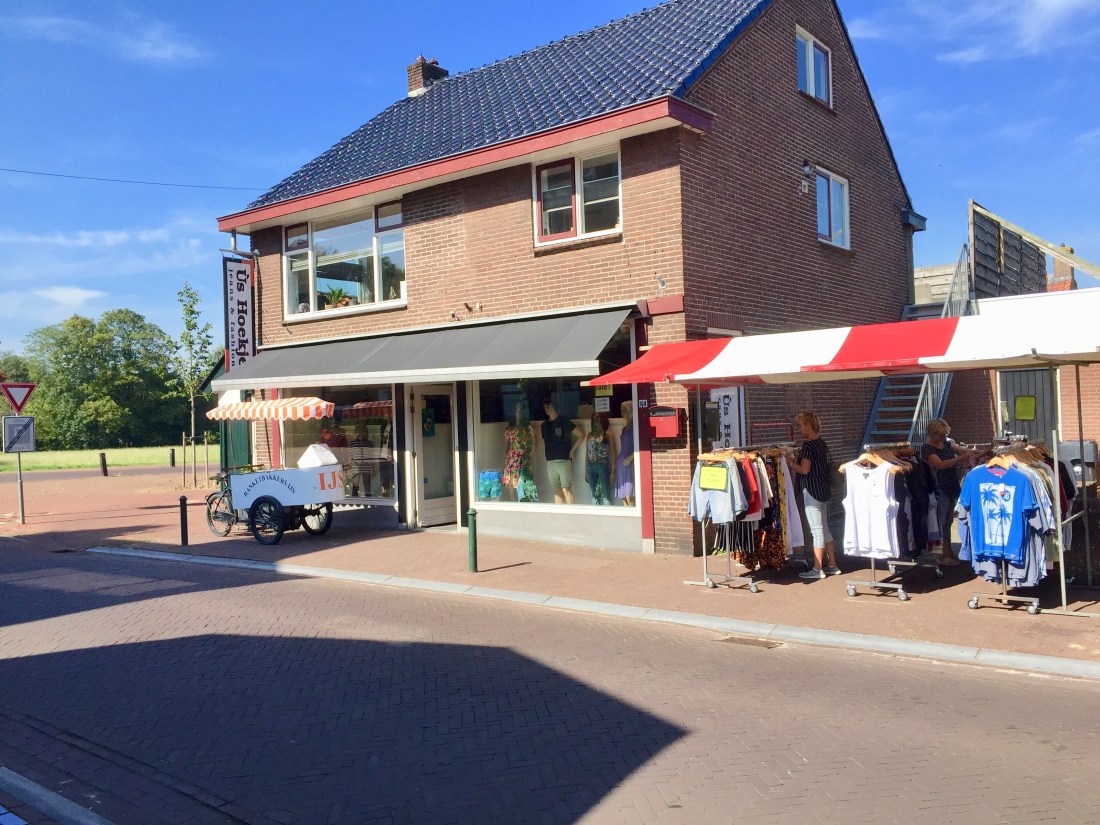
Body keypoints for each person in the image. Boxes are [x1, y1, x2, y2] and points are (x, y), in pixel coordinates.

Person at [919, 418, 977, 566]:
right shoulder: (927, 449)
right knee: (942, 522)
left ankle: (948, 551)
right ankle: (942, 554)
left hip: (951, 485)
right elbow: (940, 464)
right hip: (939, 488)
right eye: (941, 434)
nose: (944, 437)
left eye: (945, 434)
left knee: (949, 521)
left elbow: (962, 450)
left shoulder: (945, 443)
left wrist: (981, 452)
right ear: (933, 433)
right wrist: (961, 459)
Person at [791, 410, 840, 580]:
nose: (800, 429)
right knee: (824, 527)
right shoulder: (821, 443)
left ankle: (817, 568)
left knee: (816, 530)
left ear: (809, 426)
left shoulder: (808, 446)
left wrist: (790, 463)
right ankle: (832, 564)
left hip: (811, 490)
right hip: (823, 489)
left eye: (802, 425)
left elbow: (805, 470)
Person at [541, 396, 580, 504]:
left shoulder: (564, 421)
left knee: (566, 489)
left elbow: (581, 434)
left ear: (555, 407)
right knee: (556, 491)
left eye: (549, 406)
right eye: (545, 407)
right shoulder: (544, 425)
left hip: (563, 459)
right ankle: (559, 513)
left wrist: (572, 450)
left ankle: (572, 512)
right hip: (550, 461)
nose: (547, 409)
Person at [503, 401, 539, 502]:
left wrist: (528, 456)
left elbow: (535, 444)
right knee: (511, 483)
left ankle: (522, 504)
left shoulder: (528, 428)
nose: (518, 412)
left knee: (523, 483)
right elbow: (507, 446)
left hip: (522, 459)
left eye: (520, 410)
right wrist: (507, 460)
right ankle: (513, 503)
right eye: (517, 410)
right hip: (511, 460)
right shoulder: (510, 428)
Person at [584, 412, 616, 505]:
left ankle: (607, 513)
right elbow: (587, 454)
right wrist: (585, 471)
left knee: (605, 494)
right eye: (593, 419)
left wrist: (613, 471)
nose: (595, 421)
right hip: (591, 466)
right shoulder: (589, 435)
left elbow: (613, 452)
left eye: (597, 419)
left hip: (603, 465)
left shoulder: (607, 434)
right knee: (594, 495)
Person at [613, 401, 635, 506]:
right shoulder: (624, 428)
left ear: (629, 411)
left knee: (629, 495)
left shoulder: (635, 427)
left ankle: (633, 512)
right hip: (621, 462)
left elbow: (640, 444)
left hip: (629, 462)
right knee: (623, 495)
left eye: (623, 411)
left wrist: (632, 457)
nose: (622, 413)